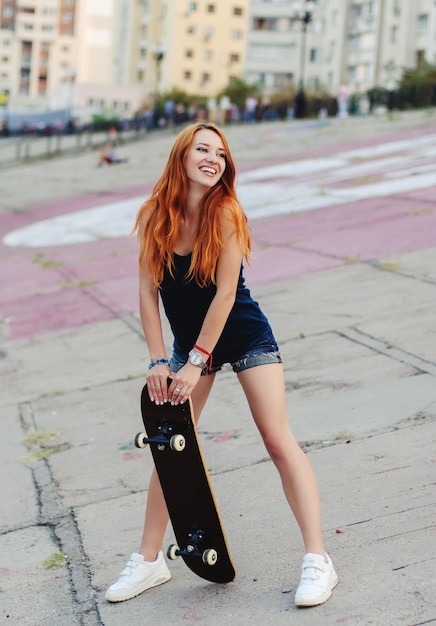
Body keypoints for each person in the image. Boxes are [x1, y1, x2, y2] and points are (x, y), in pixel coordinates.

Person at [105, 122, 338, 608]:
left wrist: (195, 361)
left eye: (221, 153)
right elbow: (147, 295)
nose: (214, 158)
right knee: (171, 448)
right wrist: (157, 359)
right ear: (182, 156)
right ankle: (149, 561)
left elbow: (227, 294)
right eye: (203, 149)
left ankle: (318, 560)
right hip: (191, 347)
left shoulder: (226, 211)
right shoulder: (154, 215)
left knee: (277, 440)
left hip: (243, 335)